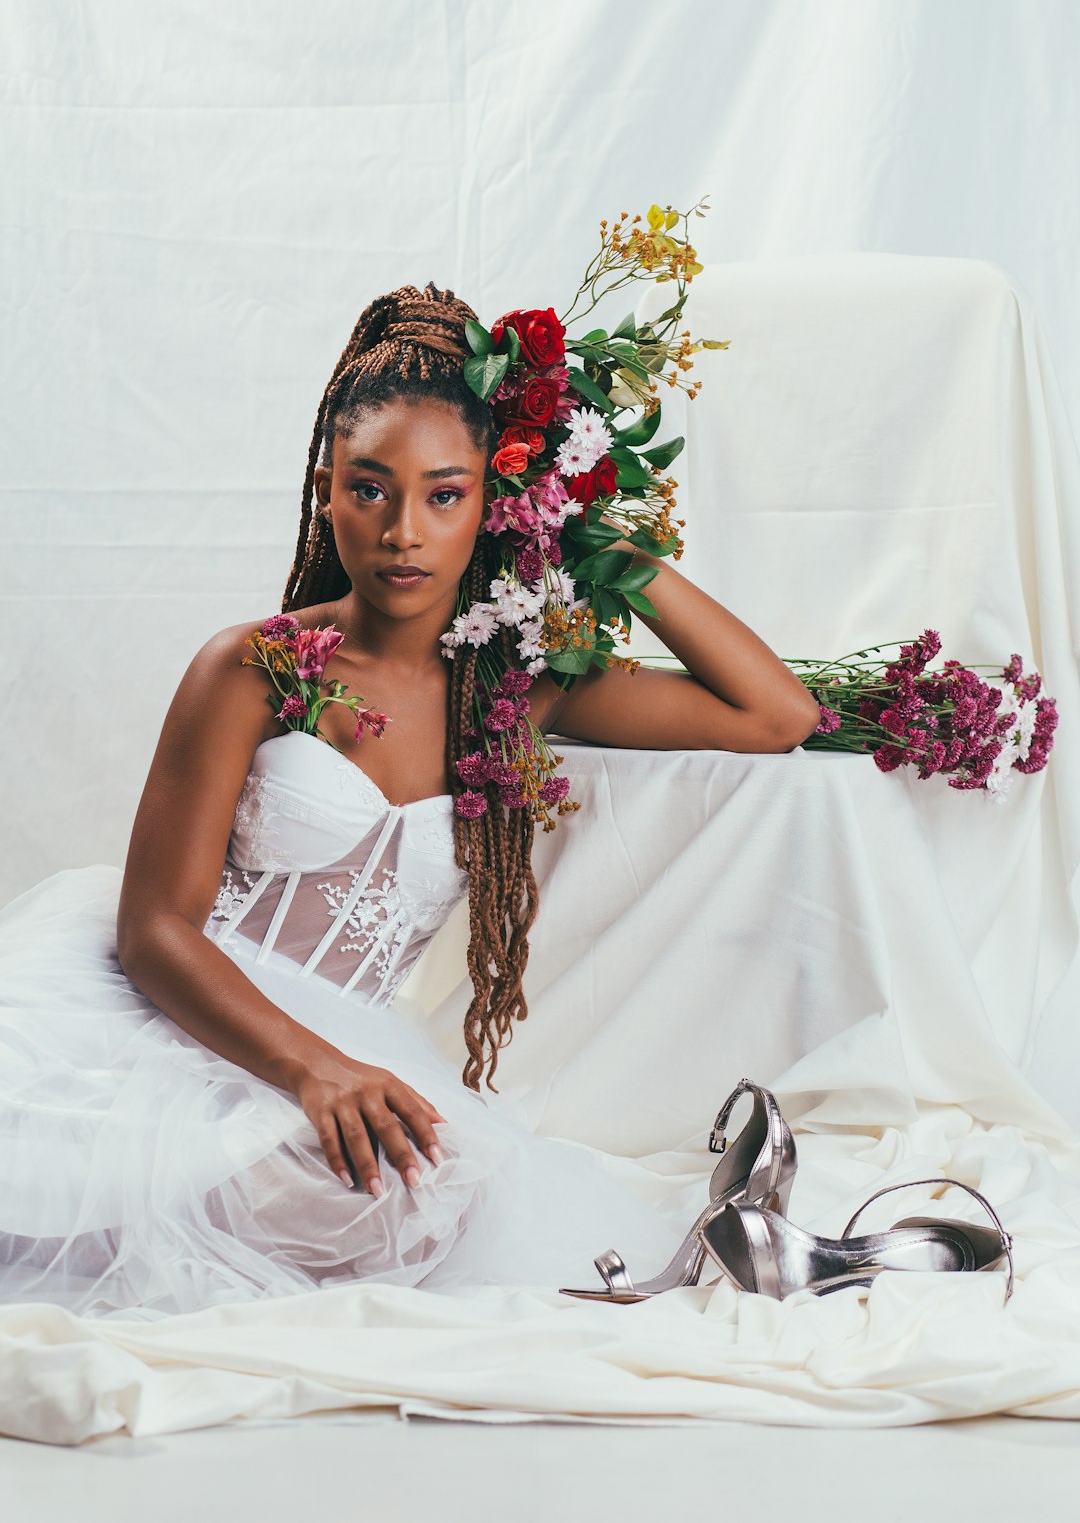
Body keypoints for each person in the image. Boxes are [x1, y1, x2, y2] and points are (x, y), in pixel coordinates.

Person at [0, 282, 821, 1320]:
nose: (402, 532)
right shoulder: (257, 667)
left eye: (445, 494)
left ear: (493, 502)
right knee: (64, 1165)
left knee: (425, 1209)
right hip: (177, 1015)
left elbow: (774, 713)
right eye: (370, 489)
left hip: (343, 1048)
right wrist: (316, 1071)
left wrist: (599, 544)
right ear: (325, 490)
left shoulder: (520, 683)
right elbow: (157, 927)